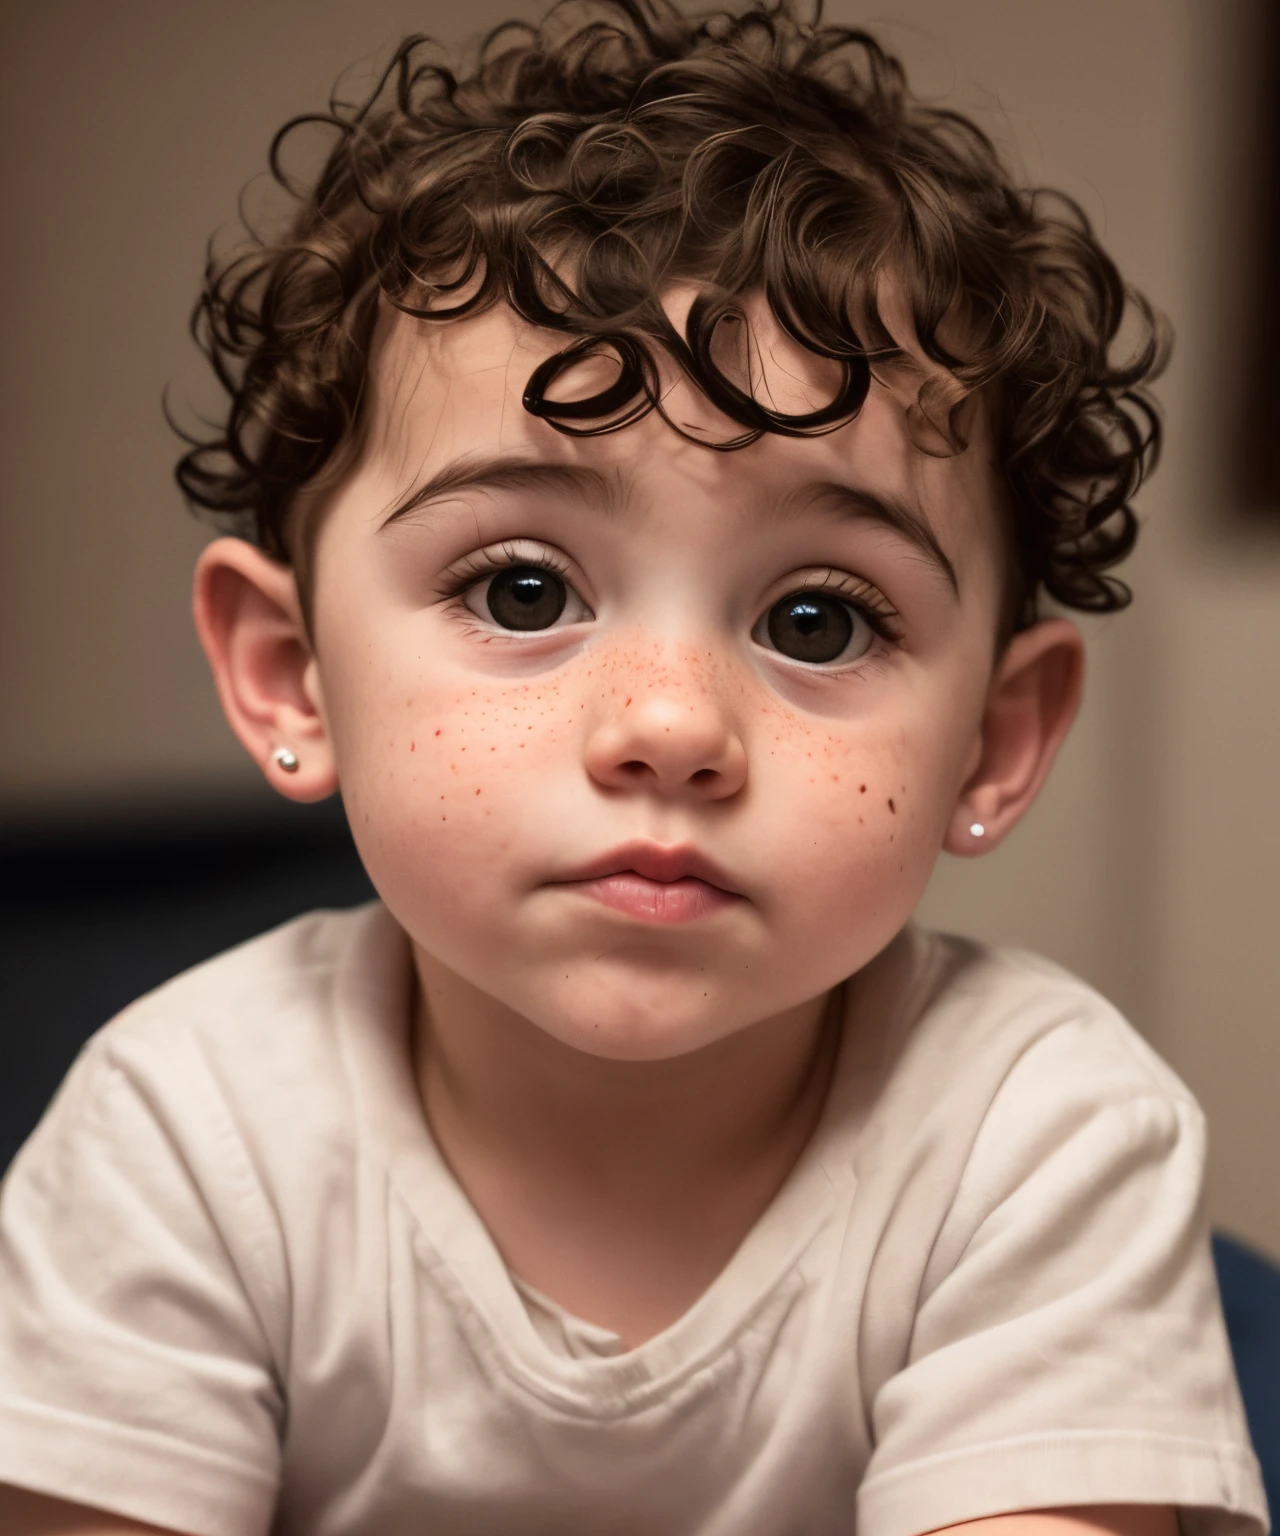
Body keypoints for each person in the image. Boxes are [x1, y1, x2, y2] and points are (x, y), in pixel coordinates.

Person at [0, 2, 1267, 1533]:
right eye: (523, 590)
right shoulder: (186, 1134)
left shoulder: (1034, 1136)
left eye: (815, 618)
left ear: (994, 744)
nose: (670, 724)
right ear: (292, 676)